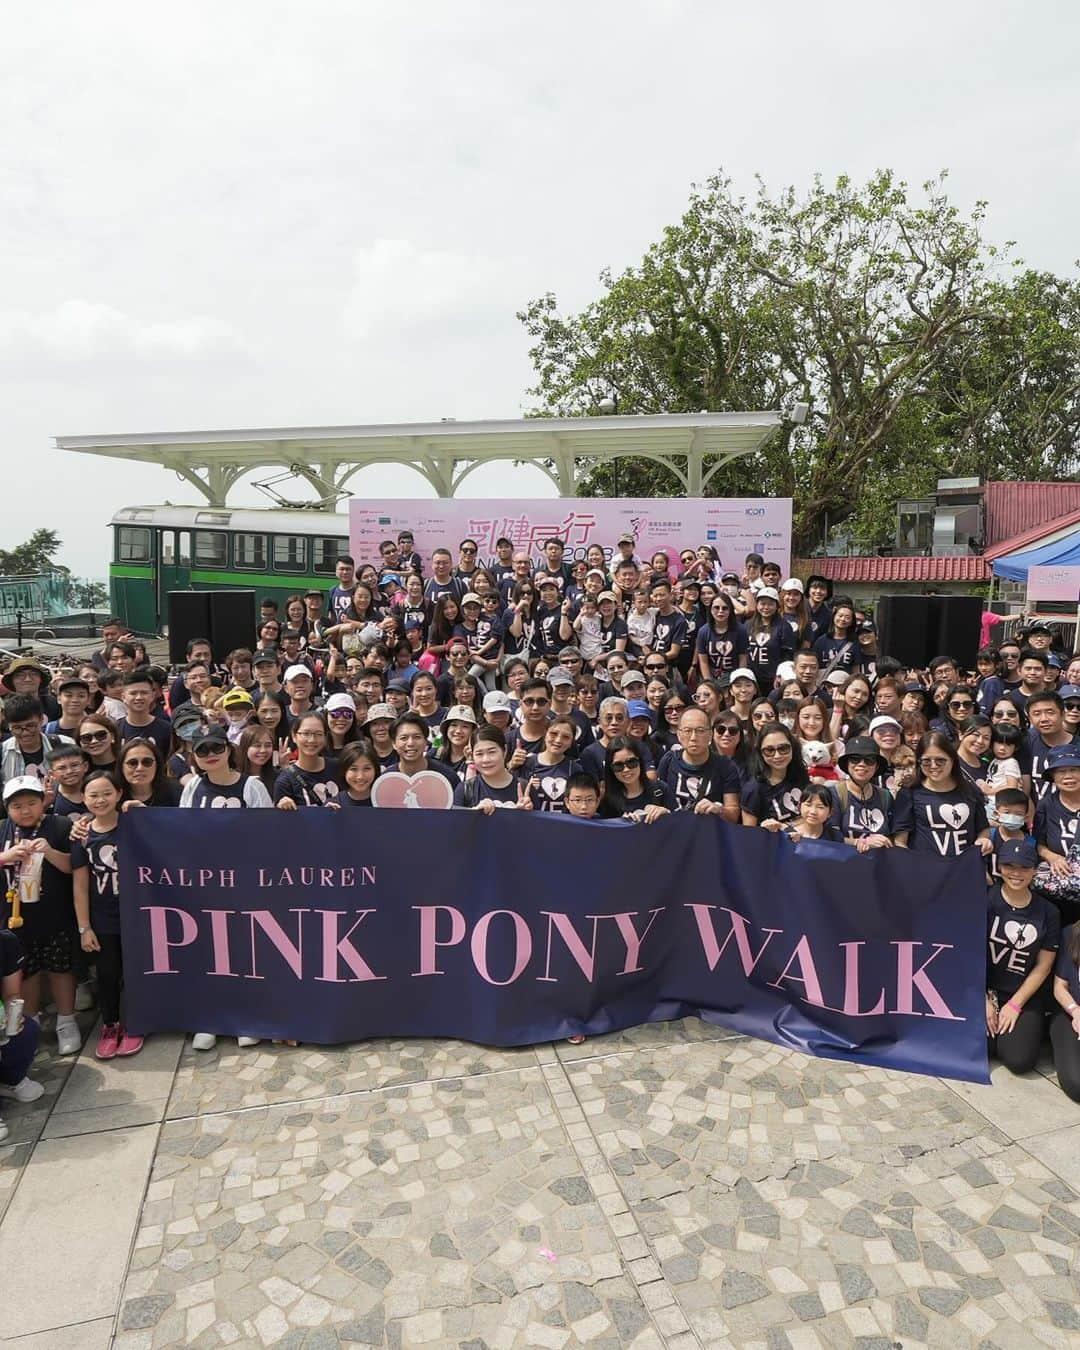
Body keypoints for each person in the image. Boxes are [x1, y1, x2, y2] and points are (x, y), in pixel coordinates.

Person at [0, 776, 79, 1054]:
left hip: (55, 914)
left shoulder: (60, 825)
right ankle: (31, 1024)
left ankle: (67, 1021)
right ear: (7, 808)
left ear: (43, 802)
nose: (25, 810)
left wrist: (50, 851)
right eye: (17, 805)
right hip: (14, 920)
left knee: (61, 969)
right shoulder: (3, 830)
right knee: (27, 974)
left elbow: (75, 867)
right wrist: (5, 856)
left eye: (32, 802)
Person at [72, 771, 144, 1059]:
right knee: (107, 974)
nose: (100, 800)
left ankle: (138, 1023)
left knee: (137, 972)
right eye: (93, 794)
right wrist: (84, 927)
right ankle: (111, 1024)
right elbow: (79, 885)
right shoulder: (81, 836)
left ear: (119, 793)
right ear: (84, 798)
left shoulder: (134, 825)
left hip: (138, 915)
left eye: (106, 793)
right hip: (103, 920)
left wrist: (142, 812)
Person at [986, 839, 1059, 1076]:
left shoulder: (1049, 912)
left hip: (1023, 995)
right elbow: (967, 954)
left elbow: (1043, 966)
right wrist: (981, 999)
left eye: (1024, 867)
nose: (1016, 873)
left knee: (1018, 1060)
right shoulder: (984, 900)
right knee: (980, 1049)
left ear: (1035, 870)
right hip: (984, 991)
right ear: (998, 866)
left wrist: (1015, 1005)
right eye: (1009, 865)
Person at [892, 733, 992, 857]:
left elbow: (983, 828)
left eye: (940, 761)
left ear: (952, 759)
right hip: (926, 870)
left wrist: (983, 840)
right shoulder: (909, 792)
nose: (933, 766)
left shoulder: (970, 790)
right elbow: (900, 841)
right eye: (926, 761)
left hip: (964, 867)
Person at [0, 927, 45, 1139]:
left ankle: (10, 1080)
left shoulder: (6, 942)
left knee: (26, 1031)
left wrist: (11, 1016)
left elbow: (11, 993)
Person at [656, 707, 740, 819]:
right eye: (687, 731)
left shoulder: (725, 766)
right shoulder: (668, 761)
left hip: (710, 832)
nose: (693, 737)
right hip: (675, 830)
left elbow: (734, 814)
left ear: (710, 734)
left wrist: (718, 810)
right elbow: (656, 800)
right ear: (679, 735)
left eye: (700, 731)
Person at [829, 738, 894, 851]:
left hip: (879, 864)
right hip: (844, 863)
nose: (862, 764)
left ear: (877, 766)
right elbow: (829, 835)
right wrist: (859, 842)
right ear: (847, 763)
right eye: (855, 759)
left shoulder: (885, 796)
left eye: (869, 760)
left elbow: (894, 835)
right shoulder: (834, 793)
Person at [741, 724, 808, 831]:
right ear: (760, 753)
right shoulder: (753, 789)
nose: (777, 756)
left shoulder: (801, 775)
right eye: (769, 750)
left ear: (793, 747)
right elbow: (749, 836)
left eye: (783, 748)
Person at [600, 737, 674, 821]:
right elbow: (606, 831)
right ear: (611, 769)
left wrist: (666, 813)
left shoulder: (660, 789)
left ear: (640, 762)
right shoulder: (609, 801)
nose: (626, 769)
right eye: (618, 765)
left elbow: (680, 824)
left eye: (631, 762)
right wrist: (622, 823)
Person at [454, 726, 524, 811]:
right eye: (479, 754)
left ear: (504, 750)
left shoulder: (524, 788)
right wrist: (474, 813)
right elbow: (455, 822)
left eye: (492, 752)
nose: (486, 759)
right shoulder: (465, 789)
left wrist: (525, 815)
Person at [523, 717, 580, 812]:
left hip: (563, 826)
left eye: (566, 737)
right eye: (553, 734)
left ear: (571, 742)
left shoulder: (575, 769)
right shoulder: (527, 763)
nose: (558, 740)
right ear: (545, 734)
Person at [337, 742, 380, 807]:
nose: (360, 777)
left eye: (367, 768)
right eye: (353, 769)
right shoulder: (334, 804)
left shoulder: (385, 802)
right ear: (344, 771)